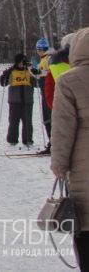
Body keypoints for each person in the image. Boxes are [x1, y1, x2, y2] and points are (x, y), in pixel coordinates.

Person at [49, 27, 89, 263]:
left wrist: (59, 163)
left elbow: (63, 127)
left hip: (83, 163)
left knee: (84, 225)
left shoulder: (69, 80)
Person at [0, 53, 37, 148]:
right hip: (14, 101)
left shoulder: (29, 71)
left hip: (27, 100)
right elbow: (3, 83)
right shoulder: (12, 71)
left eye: (23, 61)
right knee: (13, 121)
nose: (22, 64)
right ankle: (12, 140)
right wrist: (5, 75)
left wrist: (35, 73)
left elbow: (37, 83)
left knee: (27, 122)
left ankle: (28, 140)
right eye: (20, 62)